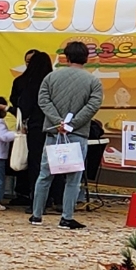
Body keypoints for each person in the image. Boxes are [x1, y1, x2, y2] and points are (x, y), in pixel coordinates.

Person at [32, 40, 103, 229]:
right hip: (77, 134)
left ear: (66, 56)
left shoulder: (51, 78)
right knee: (73, 178)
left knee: (45, 174)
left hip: (54, 133)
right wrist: (72, 123)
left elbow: (43, 100)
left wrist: (58, 122)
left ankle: (36, 215)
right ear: (86, 58)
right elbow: (93, 105)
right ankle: (66, 216)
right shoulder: (93, 81)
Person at [9, 48, 52, 203]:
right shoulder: (52, 81)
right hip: (56, 127)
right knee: (54, 163)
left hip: (34, 127)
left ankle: (37, 200)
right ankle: (57, 198)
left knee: (35, 163)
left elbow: (21, 105)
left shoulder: (26, 82)